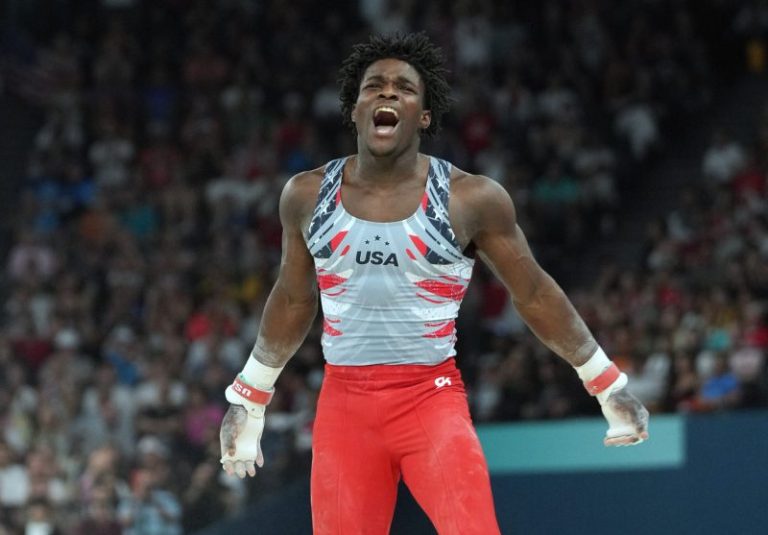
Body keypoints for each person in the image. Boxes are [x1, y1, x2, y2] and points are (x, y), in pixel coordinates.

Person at [219, 32, 649, 534]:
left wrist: (606, 383)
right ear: (353, 110)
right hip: (344, 411)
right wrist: (249, 399)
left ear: (423, 116)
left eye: (403, 88)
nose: (386, 94)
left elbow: (533, 293)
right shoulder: (306, 196)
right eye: (373, 86)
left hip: (430, 398)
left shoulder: (469, 199)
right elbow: (293, 299)